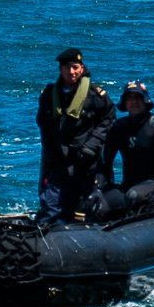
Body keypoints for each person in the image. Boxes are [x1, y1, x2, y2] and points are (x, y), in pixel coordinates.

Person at [35, 47, 114, 223]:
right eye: (67, 68)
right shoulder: (49, 95)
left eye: (75, 67)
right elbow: (43, 123)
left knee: (83, 209)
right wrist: (50, 151)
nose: (71, 72)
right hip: (57, 160)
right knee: (50, 205)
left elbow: (108, 120)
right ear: (60, 70)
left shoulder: (96, 95)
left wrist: (91, 145)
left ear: (82, 68)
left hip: (84, 160)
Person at [90, 80, 154, 219]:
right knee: (98, 204)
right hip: (129, 185)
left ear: (145, 100)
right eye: (129, 98)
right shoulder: (119, 127)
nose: (134, 102)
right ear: (124, 103)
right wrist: (100, 188)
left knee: (133, 195)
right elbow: (106, 162)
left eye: (138, 98)